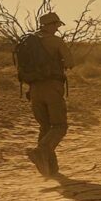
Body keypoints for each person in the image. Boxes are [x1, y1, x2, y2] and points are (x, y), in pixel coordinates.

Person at [25, 11, 72, 177]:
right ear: (51, 25)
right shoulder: (56, 41)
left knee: (45, 127)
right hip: (52, 87)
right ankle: (40, 151)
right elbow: (70, 63)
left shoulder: (29, 41)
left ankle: (50, 170)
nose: (58, 28)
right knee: (59, 126)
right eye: (57, 25)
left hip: (34, 89)